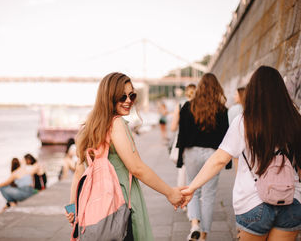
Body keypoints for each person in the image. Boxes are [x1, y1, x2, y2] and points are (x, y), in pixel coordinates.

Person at [181, 66, 301, 241]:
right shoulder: (296, 121)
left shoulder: (244, 122)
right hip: (290, 202)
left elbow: (220, 159)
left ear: (253, 92)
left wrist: (191, 187)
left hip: (253, 203)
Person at [65, 72, 184, 240]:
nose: (128, 100)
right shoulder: (116, 123)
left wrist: (72, 208)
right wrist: (169, 192)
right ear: (109, 97)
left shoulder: (89, 127)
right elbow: (136, 168)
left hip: (95, 206)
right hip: (121, 200)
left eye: (131, 95)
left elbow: (79, 173)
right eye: (122, 96)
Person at [177, 73, 229, 241]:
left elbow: (182, 136)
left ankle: (194, 226)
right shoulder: (222, 110)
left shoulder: (187, 107)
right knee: (208, 194)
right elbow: (225, 137)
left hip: (191, 153)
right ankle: (204, 234)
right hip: (213, 156)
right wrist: (226, 163)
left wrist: (180, 159)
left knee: (192, 188)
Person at [170, 84, 196, 189]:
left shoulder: (180, 105)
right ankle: (196, 194)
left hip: (182, 140)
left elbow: (173, 127)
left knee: (183, 170)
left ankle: (182, 196)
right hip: (196, 141)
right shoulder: (200, 105)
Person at [227, 86, 245, 170]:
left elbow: (230, 127)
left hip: (236, 143)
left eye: (236, 94)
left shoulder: (233, 109)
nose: (234, 96)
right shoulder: (253, 110)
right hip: (249, 145)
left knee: (239, 172)